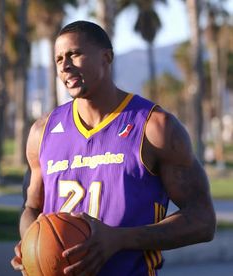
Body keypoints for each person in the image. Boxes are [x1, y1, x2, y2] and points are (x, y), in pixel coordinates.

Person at [11, 20, 216, 275]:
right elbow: (31, 207)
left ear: (106, 57)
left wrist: (119, 239)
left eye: (75, 54)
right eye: (59, 59)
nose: (65, 66)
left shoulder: (154, 127)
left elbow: (202, 220)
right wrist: (33, 242)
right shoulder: (42, 132)